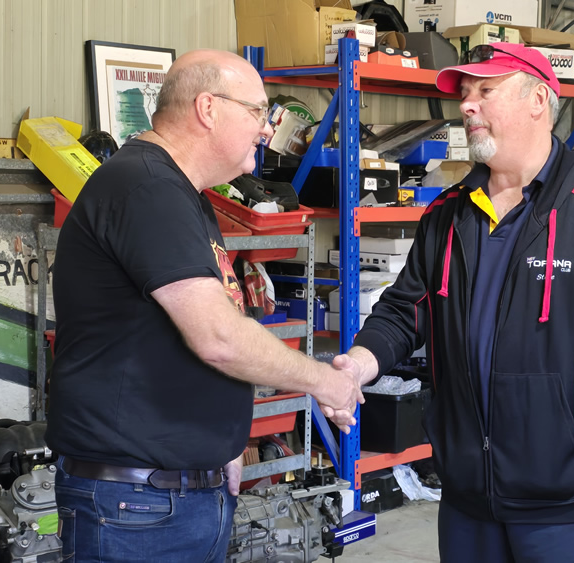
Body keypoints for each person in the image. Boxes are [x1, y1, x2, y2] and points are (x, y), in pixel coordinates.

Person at [334, 43, 574, 562]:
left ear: (538, 100)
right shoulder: (448, 213)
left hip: (565, 507)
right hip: (466, 497)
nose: (467, 105)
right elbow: (405, 310)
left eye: (485, 91)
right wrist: (357, 366)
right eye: (464, 94)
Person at [45, 49, 362, 563]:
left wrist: (219, 449)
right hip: (138, 506)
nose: (267, 129)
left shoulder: (184, 192)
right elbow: (217, 337)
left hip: (176, 495)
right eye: (258, 112)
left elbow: (202, 326)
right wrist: (325, 381)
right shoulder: (146, 187)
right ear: (208, 108)